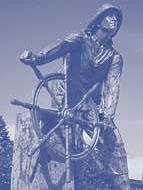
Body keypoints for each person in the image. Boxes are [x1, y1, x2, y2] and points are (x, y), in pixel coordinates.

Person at [20, 4, 130, 190]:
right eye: (110, 16)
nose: (115, 20)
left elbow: (112, 88)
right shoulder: (79, 38)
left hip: (90, 106)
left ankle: (123, 186)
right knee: (55, 134)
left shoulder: (114, 58)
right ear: (99, 19)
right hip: (65, 98)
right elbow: (59, 47)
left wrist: (108, 117)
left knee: (115, 142)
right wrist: (37, 58)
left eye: (117, 19)